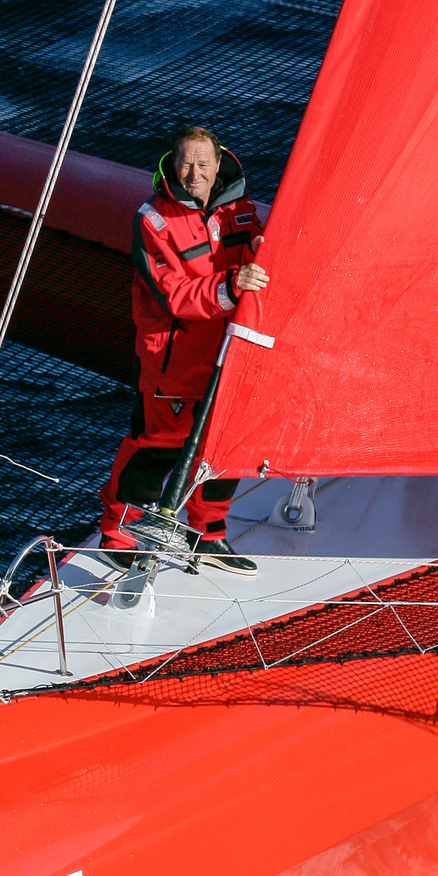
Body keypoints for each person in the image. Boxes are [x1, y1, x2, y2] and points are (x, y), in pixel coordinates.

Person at [98, 122, 269, 572]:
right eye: (185, 164)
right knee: (157, 445)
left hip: (228, 356)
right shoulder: (152, 220)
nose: (194, 173)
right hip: (172, 362)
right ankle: (117, 532)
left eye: (203, 164)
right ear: (172, 166)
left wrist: (262, 249)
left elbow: (260, 259)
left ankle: (208, 536)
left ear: (219, 166)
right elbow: (173, 293)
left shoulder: (243, 211)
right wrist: (233, 284)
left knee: (224, 446)